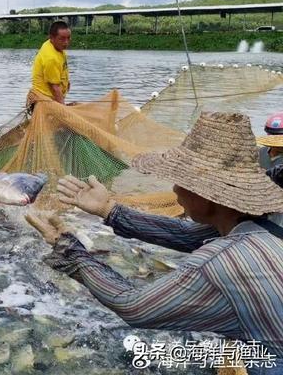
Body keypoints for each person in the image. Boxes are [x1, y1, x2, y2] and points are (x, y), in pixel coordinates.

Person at [26, 112, 283, 375]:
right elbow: (188, 235)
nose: (174, 190)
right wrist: (108, 209)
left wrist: (66, 247)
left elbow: (133, 306)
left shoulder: (219, 261)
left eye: (182, 182)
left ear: (210, 196)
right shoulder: (270, 221)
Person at [28, 20, 71, 107]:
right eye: (62, 39)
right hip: (45, 101)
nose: (66, 42)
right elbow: (55, 88)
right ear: (51, 38)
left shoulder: (55, 47)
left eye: (68, 38)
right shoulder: (51, 58)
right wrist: (64, 109)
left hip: (54, 98)